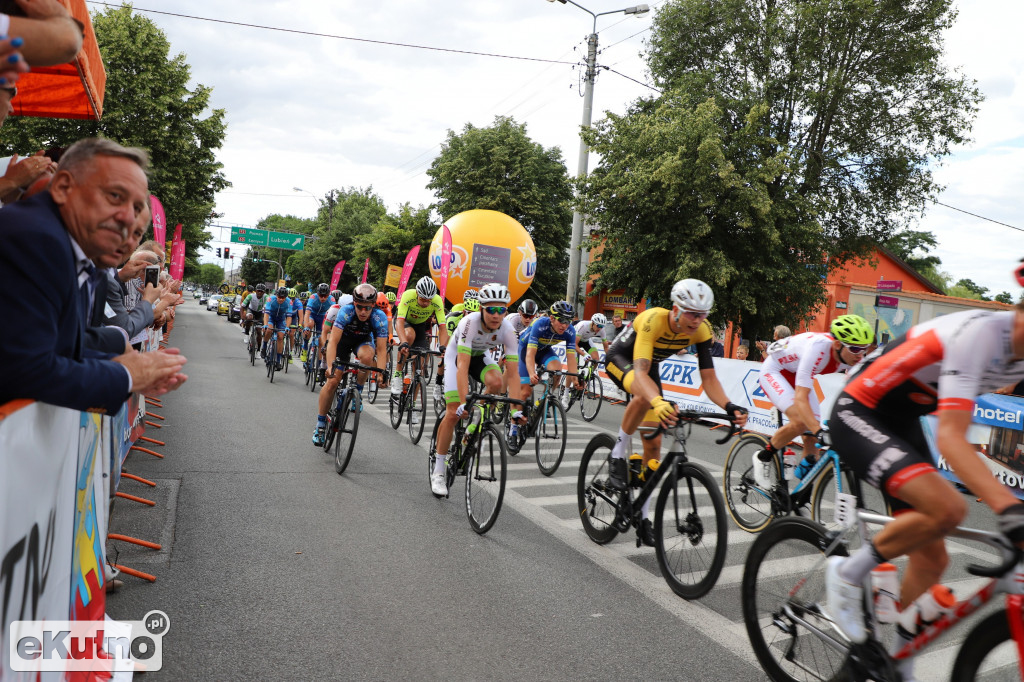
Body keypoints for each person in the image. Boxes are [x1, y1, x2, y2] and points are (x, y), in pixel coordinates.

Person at [823, 299, 1024, 681]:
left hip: (904, 419)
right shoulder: (980, 334)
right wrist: (1007, 508)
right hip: (859, 411)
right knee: (948, 508)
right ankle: (847, 572)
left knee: (932, 560)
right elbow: (951, 436)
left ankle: (898, 662)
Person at [0, 137, 187, 413]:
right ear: (64, 187)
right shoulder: (37, 240)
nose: (126, 219)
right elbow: (25, 368)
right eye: (115, 196)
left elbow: (62, 341)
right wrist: (128, 375)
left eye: (136, 211)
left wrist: (118, 346)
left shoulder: (81, 261)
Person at [603, 279, 749, 546]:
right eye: (692, 313)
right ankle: (617, 453)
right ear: (676, 309)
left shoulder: (701, 331)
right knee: (643, 394)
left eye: (702, 315)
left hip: (650, 368)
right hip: (622, 359)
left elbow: (709, 379)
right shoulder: (653, 320)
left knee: (654, 445)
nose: (697, 320)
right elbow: (641, 374)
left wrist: (729, 406)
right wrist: (659, 402)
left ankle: (643, 518)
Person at [752, 315, 874, 486]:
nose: (860, 355)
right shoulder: (819, 348)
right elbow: (801, 399)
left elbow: (858, 395)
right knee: (803, 422)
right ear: (838, 344)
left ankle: (799, 496)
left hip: (798, 373)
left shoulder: (854, 358)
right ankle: (763, 456)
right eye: (854, 349)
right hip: (775, 370)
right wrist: (819, 430)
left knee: (812, 443)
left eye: (864, 349)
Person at [430, 283, 519, 497]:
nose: (496, 315)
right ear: (481, 308)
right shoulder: (469, 322)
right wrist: (461, 402)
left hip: (479, 356)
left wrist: (516, 410)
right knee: (452, 412)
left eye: (501, 310)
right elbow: (462, 366)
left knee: (497, 382)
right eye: (491, 309)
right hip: (457, 357)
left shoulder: (508, 329)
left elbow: (513, 373)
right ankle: (439, 470)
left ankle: (475, 425)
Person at [313, 284, 389, 446]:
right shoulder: (345, 312)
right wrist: (329, 367)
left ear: (373, 306)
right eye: (359, 307)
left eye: (367, 308)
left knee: (368, 357)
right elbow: (333, 342)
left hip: (362, 341)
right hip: (342, 342)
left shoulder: (379, 317)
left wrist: (382, 373)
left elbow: (382, 350)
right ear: (354, 303)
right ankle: (320, 424)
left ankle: (358, 392)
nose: (363, 311)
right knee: (333, 380)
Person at [517, 300, 582, 421]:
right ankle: (513, 427)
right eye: (561, 320)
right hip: (525, 350)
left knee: (557, 372)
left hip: (544, 350)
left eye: (568, 321)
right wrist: (532, 373)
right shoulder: (539, 324)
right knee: (525, 391)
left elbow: (571, 358)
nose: (564, 325)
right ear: (552, 318)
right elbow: (530, 354)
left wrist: (575, 379)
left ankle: (543, 400)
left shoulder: (570, 331)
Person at [391, 276, 448, 395]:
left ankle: (413, 404)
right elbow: (399, 321)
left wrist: (443, 347)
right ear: (417, 293)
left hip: (420, 325)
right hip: (405, 321)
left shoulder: (437, 301)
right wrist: (403, 342)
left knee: (420, 368)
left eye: (429, 300)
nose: (426, 303)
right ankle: (397, 374)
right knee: (409, 336)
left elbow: (442, 327)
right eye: (423, 299)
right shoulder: (408, 295)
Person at [261, 286, 294, 371]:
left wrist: (287, 327)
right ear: (276, 295)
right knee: (268, 330)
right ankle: (264, 347)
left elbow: (289, 317)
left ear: (286, 297)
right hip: (271, 317)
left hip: (281, 319)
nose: (281, 299)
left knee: (280, 336)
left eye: (283, 297)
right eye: (279, 297)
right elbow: (266, 314)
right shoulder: (270, 299)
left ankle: (278, 361)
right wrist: (265, 324)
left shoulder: (289, 302)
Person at [301, 283, 334, 361]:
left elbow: (334, 315)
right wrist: (306, 327)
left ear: (328, 295)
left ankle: (319, 363)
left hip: (323, 317)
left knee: (321, 341)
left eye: (325, 296)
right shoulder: (313, 297)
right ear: (317, 294)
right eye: (321, 295)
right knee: (310, 324)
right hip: (312, 314)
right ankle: (305, 347)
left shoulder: (331, 299)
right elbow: (307, 313)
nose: (323, 298)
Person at [573, 313, 607, 378]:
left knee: (596, 359)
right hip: (574, 341)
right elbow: (574, 344)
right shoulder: (583, 325)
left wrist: (609, 358)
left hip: (586, 341)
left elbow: (606, 347)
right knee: (574, 367)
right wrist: (584, 354)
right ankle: (568, 388)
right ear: (593, 323)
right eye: (598, 326)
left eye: (602, 326)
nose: (600, 328)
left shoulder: (602, 330)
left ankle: (587, 379)